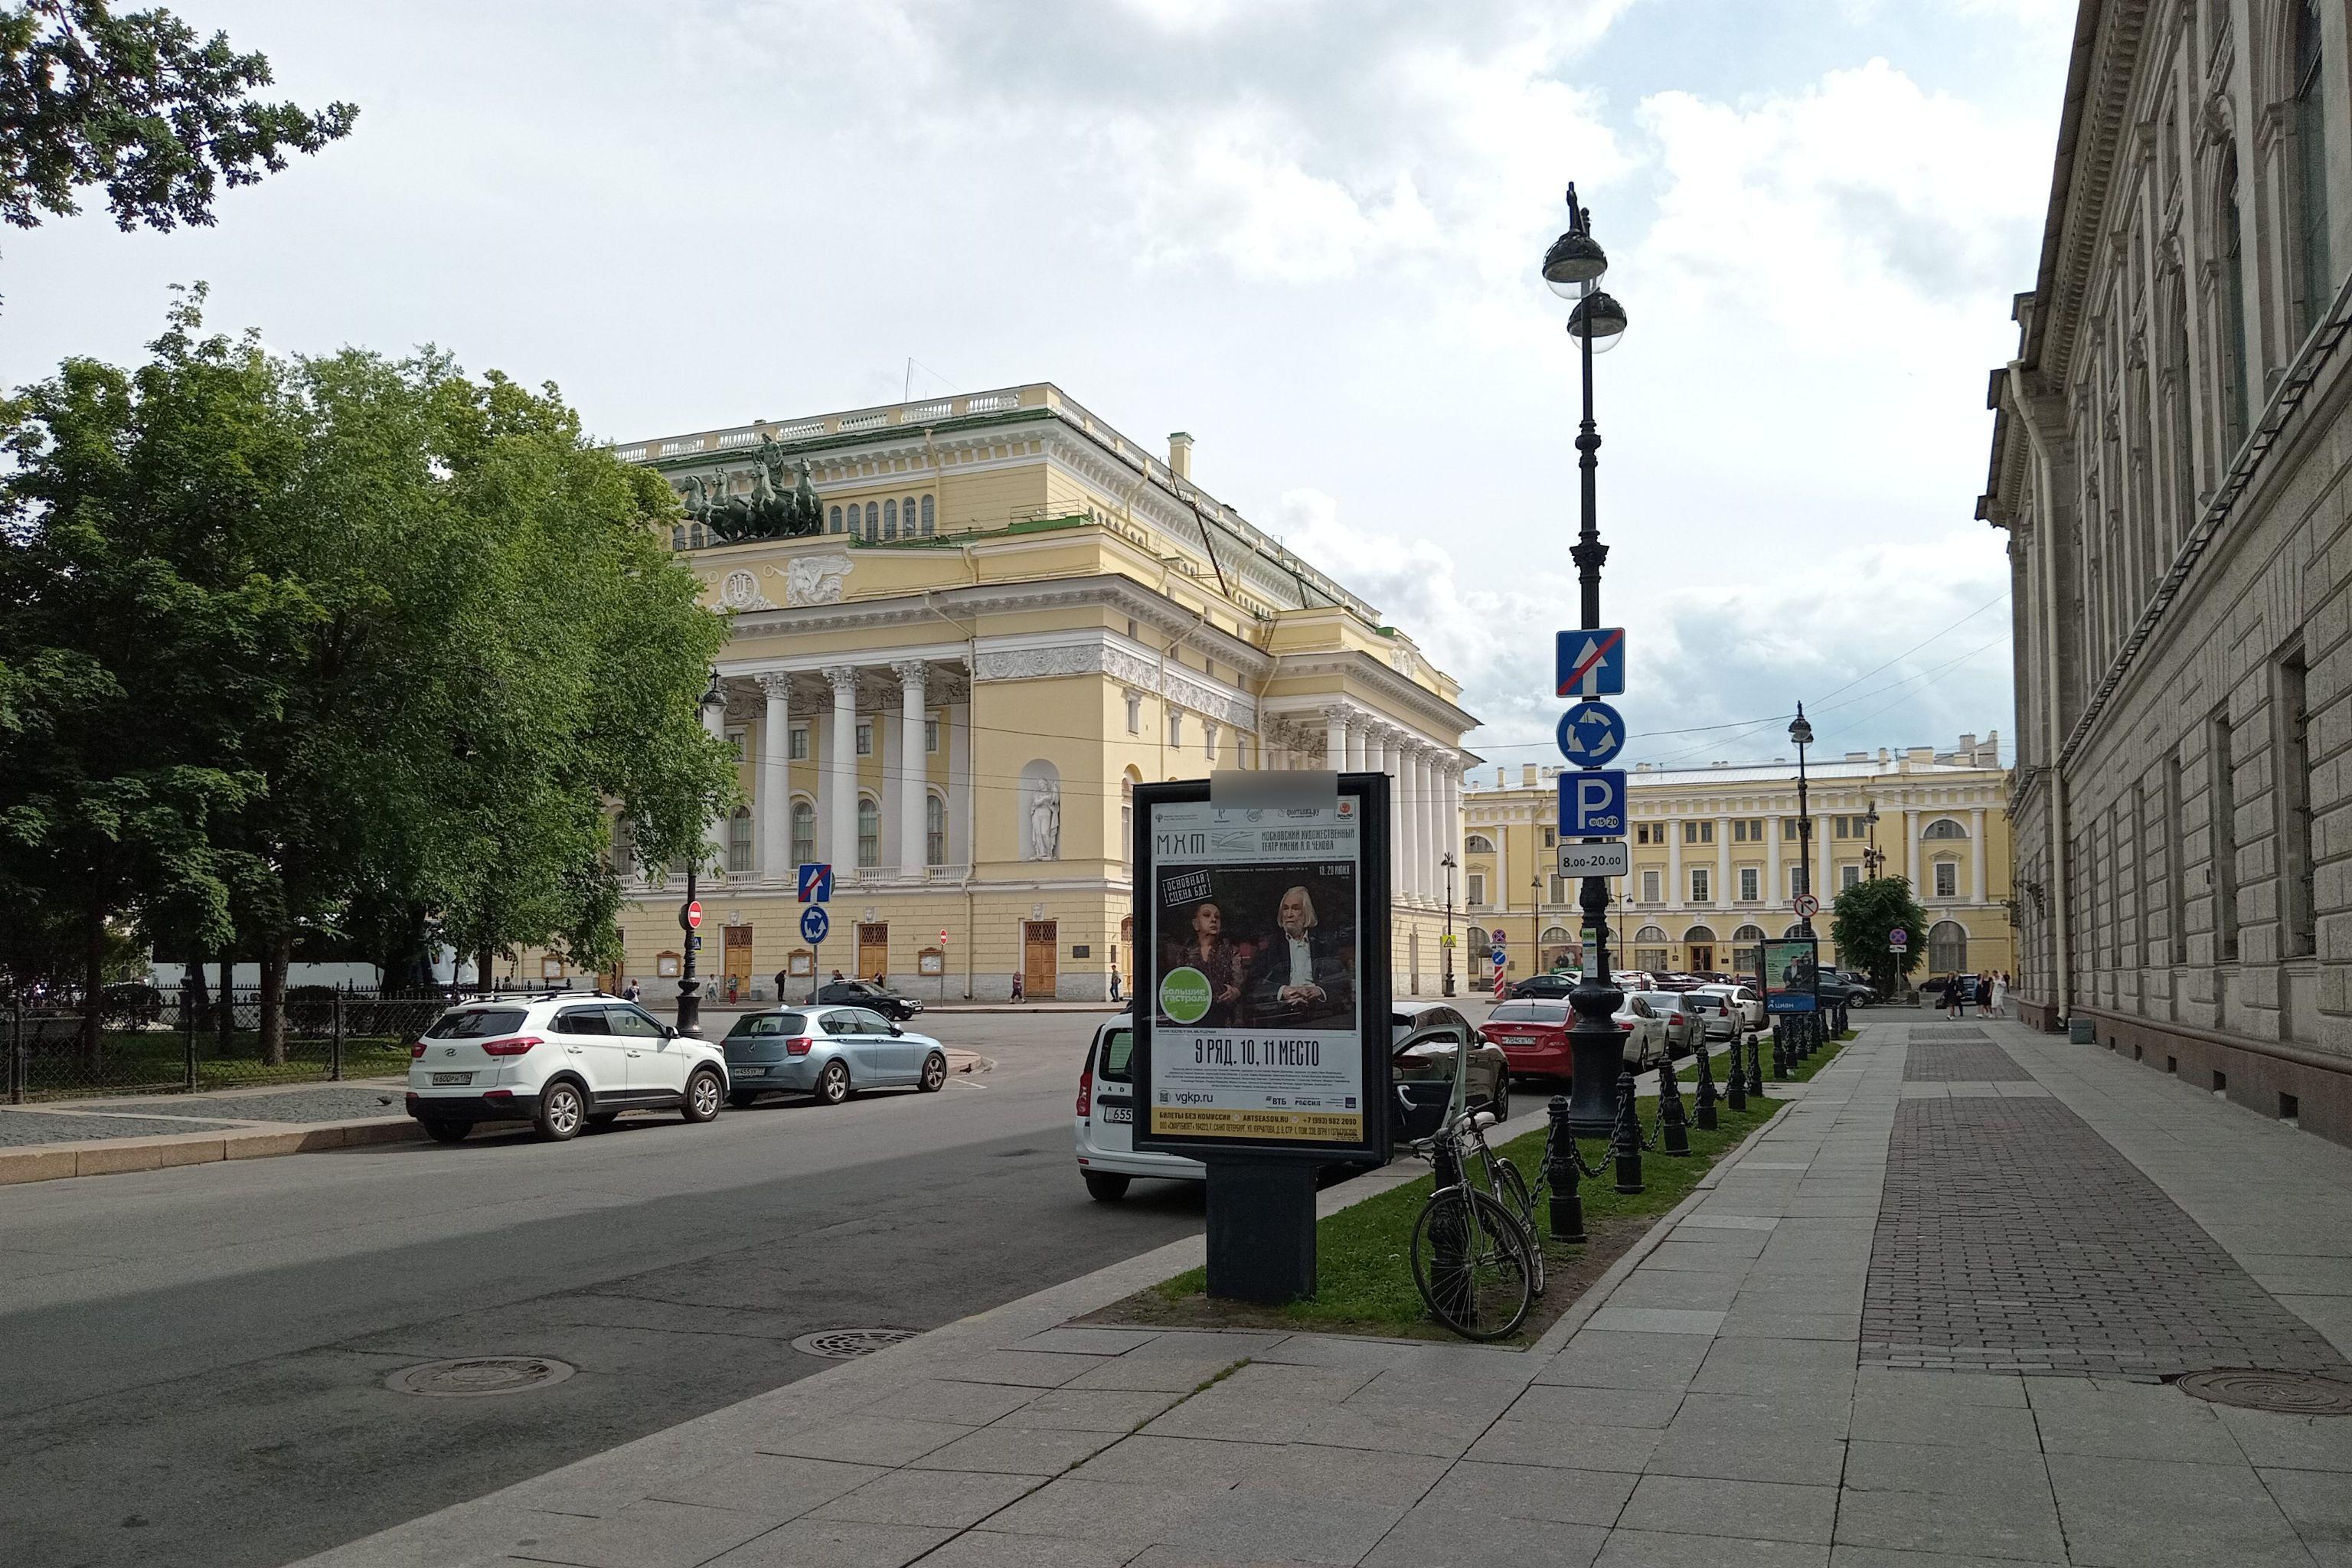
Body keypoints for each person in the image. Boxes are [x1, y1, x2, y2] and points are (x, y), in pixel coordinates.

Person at [1250, 884, 1351, 1027]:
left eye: (1295, 908)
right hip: (1281, 1016)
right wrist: (1282, 991)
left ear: (1307, 912)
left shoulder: (1324, 943)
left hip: (1321, 1017)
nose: (1289, 914)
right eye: (1286, 909)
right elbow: (1254, 984)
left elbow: (1341, 983)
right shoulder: (1271, 946)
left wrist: (1319, 991)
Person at [1178, 900, 1246, 1025]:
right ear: (1195, 924)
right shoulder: (1185, 953)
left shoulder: (1230, 950)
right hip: (1193, 1019)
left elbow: (1239, 982)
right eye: (1207, 915)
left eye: (1217, 917)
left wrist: (1235, 991)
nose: (1213, 920)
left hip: (1224, 1018)